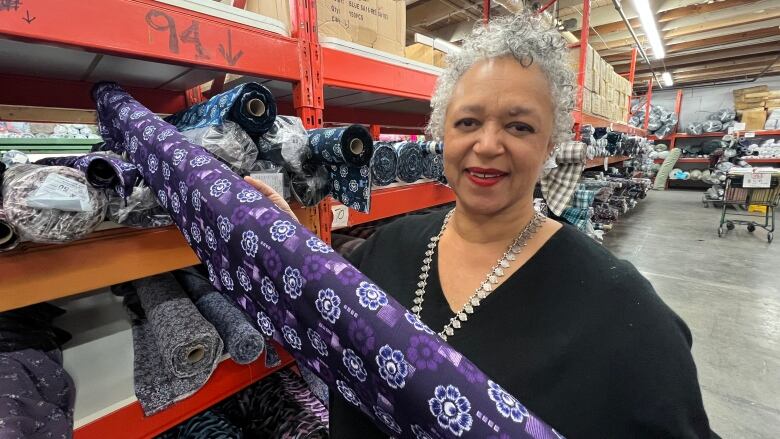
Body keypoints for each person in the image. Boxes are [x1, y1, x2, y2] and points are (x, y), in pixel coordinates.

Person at [246, 12, 712, 439]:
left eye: (519, 127)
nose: (488, 145)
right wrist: (292, 247)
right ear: (441, 134)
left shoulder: (619, 310)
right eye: (468, 122)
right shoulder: (387, 250)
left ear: (553, 143)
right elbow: (328, 319)